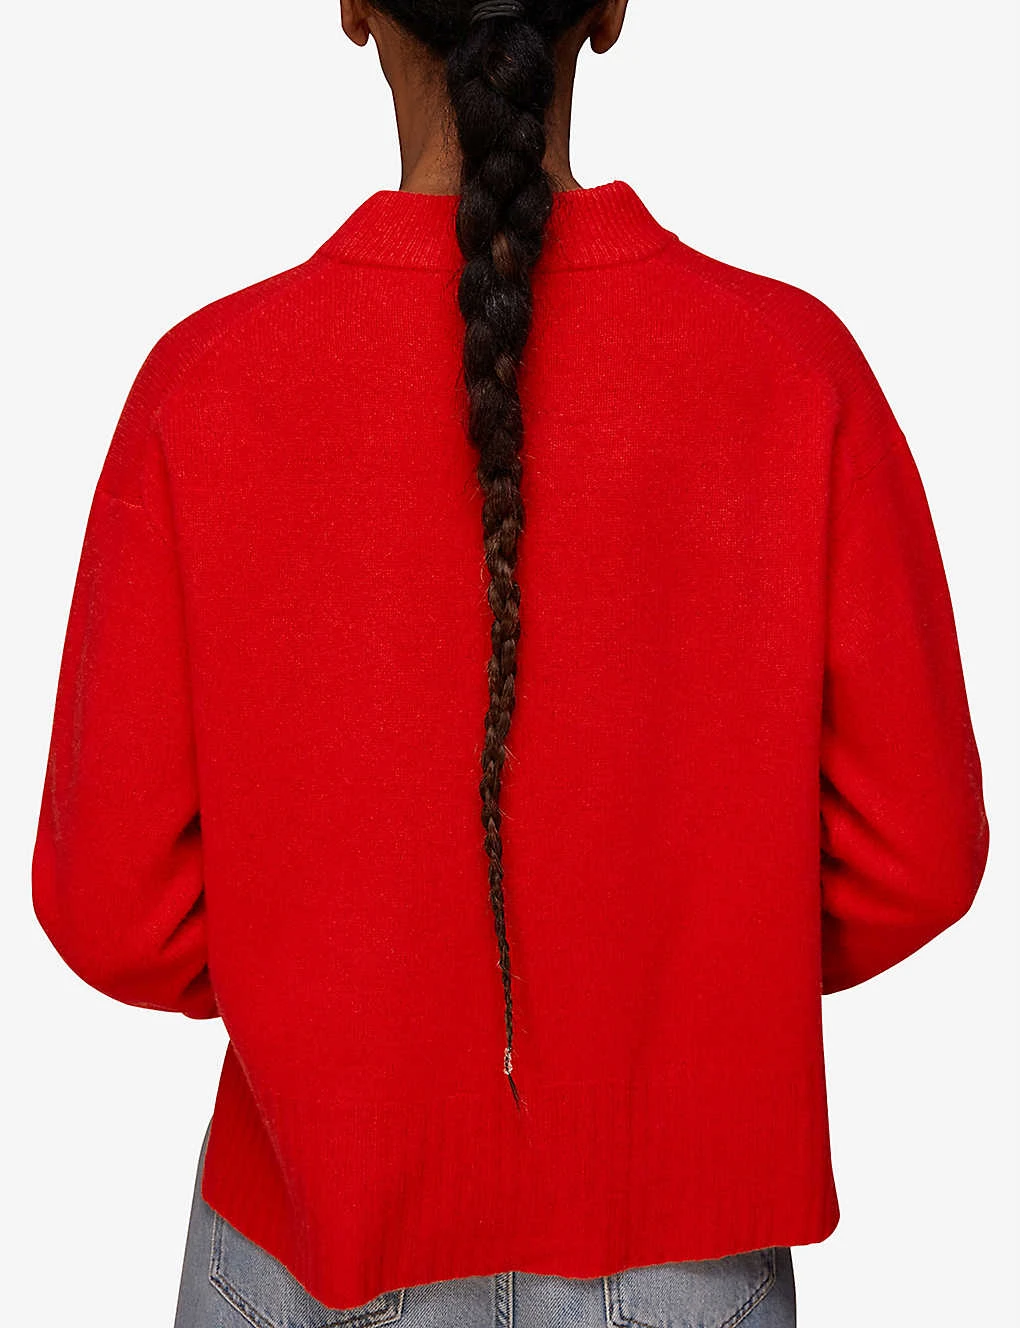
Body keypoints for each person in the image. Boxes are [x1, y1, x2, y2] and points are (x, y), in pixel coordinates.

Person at [30, 1, 990, 1326]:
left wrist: (322, 1008)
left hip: (315, 1225)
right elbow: (915, 857)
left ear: (355, 11)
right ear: (611, 12)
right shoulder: (790, 369)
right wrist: (700, 977)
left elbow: (114, 912)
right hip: (684, 1252)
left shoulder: (203, 389)